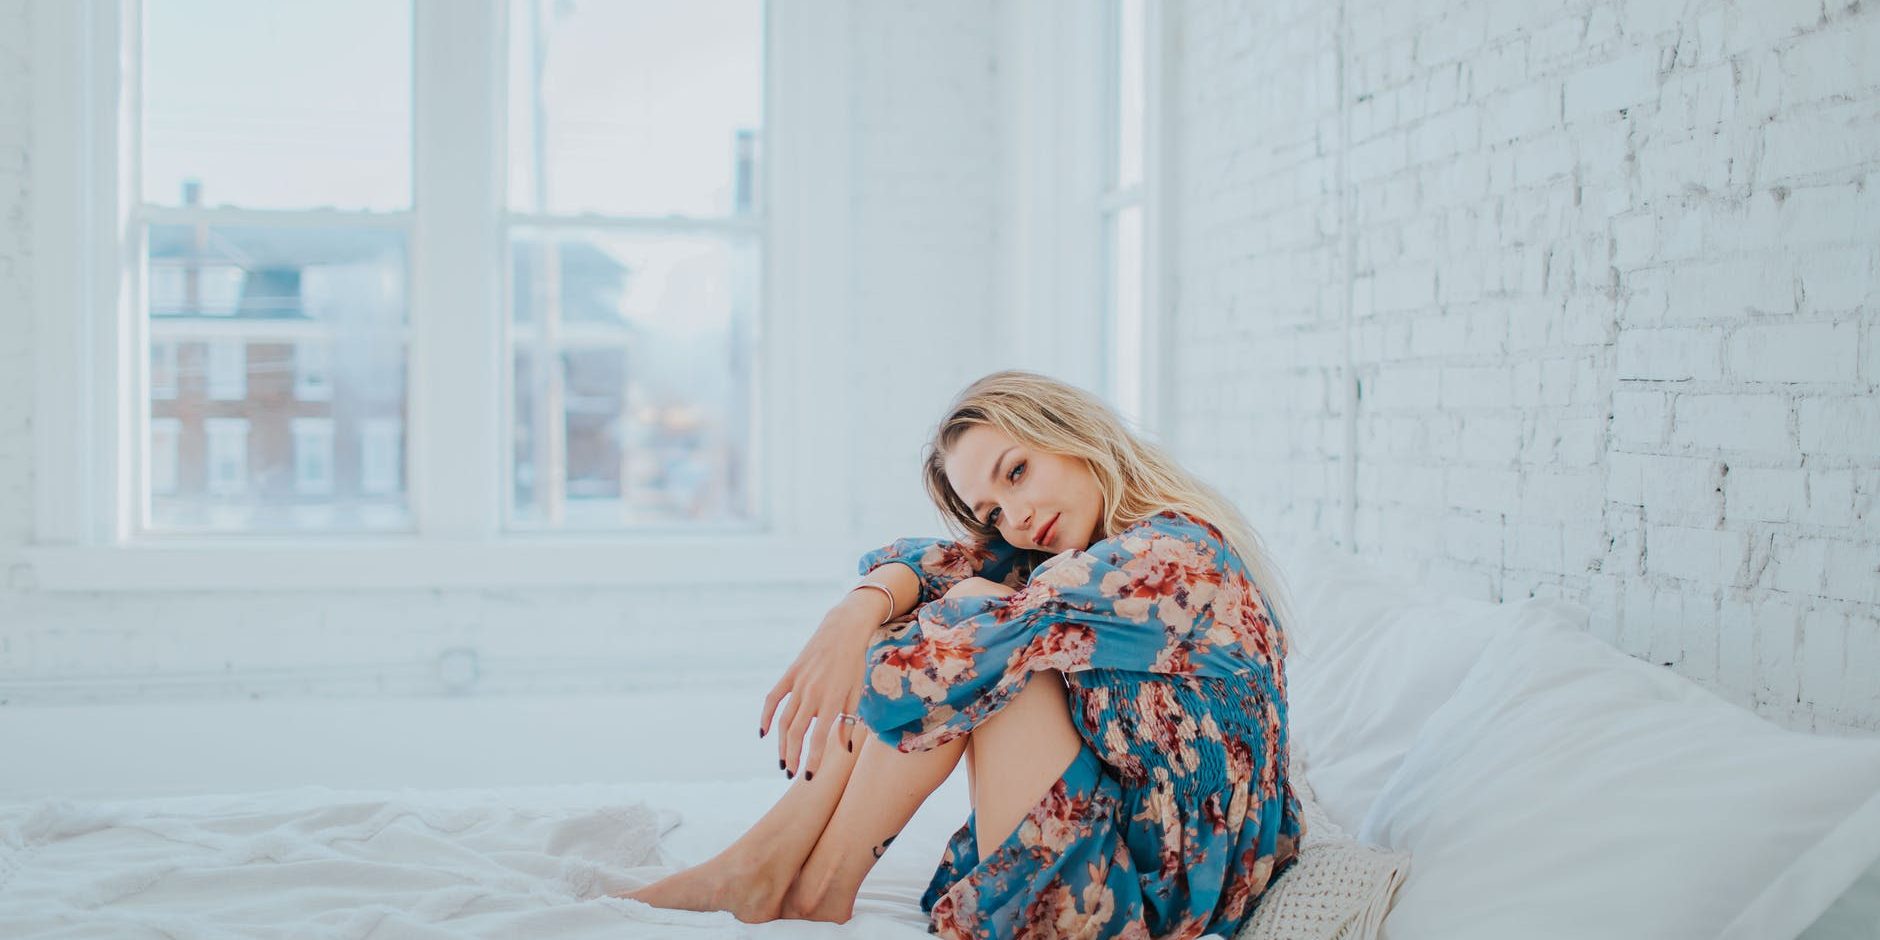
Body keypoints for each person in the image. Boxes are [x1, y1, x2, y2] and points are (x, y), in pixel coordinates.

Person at [620, 370, 1303, 938]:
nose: (1018, 515)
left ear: (1074, 436)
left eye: (1018, 471)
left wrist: (922, 614)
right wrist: (854, 608)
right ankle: (774, 869)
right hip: (1138, 850)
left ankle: (788, 874)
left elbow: (909, 682)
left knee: (976, 652)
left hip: (1156, 894)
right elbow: (929, 562)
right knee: (964, 622)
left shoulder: (1170, 557)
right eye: (995, 510)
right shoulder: (1084, 559)